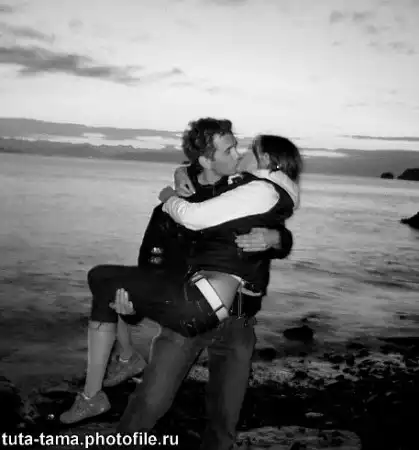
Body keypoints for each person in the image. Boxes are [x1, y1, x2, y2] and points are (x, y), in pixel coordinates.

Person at [60, 120, 302, 450]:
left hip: (239, 321)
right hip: (188, 313)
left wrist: (277, 239)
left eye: (239, 148)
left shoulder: (244, 189)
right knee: (149, 403)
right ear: (206, 160)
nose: (238, 153)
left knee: (225, 418)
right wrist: (131, 311)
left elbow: (277, 218)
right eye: (230, 149)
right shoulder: (173, 207)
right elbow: (152, 265)